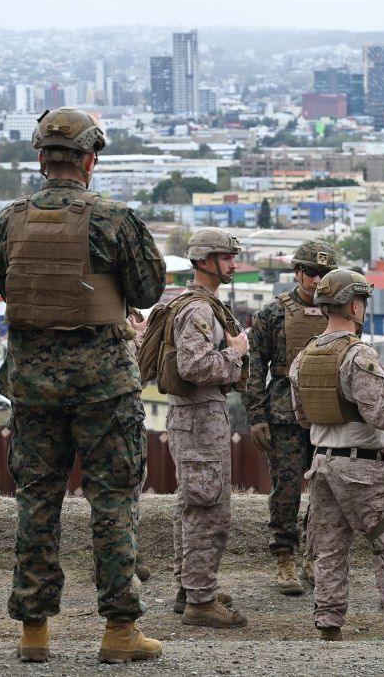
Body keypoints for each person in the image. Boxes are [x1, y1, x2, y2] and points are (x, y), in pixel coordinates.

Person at [0, 107, 165, 663]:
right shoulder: (113, 219)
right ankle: (118, 631)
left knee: (37, 500)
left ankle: (34, 632)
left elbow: (4, 282)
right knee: (112, 501)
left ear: (42, 158)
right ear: (90, 159)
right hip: (103, 387)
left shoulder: (9, 219)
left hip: (33, 386)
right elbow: (147, 288)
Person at [289, 269, 384, 640]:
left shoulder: (304, 356)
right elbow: (382, 413)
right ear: (353, 304)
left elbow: (301, 416)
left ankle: (329, 628)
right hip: (362, 466)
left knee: (328, 550)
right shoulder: (359, 355)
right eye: (361, 301)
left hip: (322, 465)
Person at [243, 240, 337, 595]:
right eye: (311, 272)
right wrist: (257, 415)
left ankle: (315, 556)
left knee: (325, 490)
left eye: (325, 274)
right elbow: (254, 367)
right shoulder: (273, 312)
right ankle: (284, 556)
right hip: (284, 412)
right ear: (297, 272)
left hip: (328, 413)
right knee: (286, 489)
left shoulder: (341, 312)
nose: (317, 280)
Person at [167, 228, 249, 627]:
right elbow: (194, 366)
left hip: (196, 417)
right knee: (208, 508)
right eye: (226, 257)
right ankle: (200, 600)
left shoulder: (200, 304)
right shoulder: (199, 310)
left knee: (195, 503)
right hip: (200, 417)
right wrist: (234, 356)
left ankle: (191, 588)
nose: (234, 264)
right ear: (203, 261)